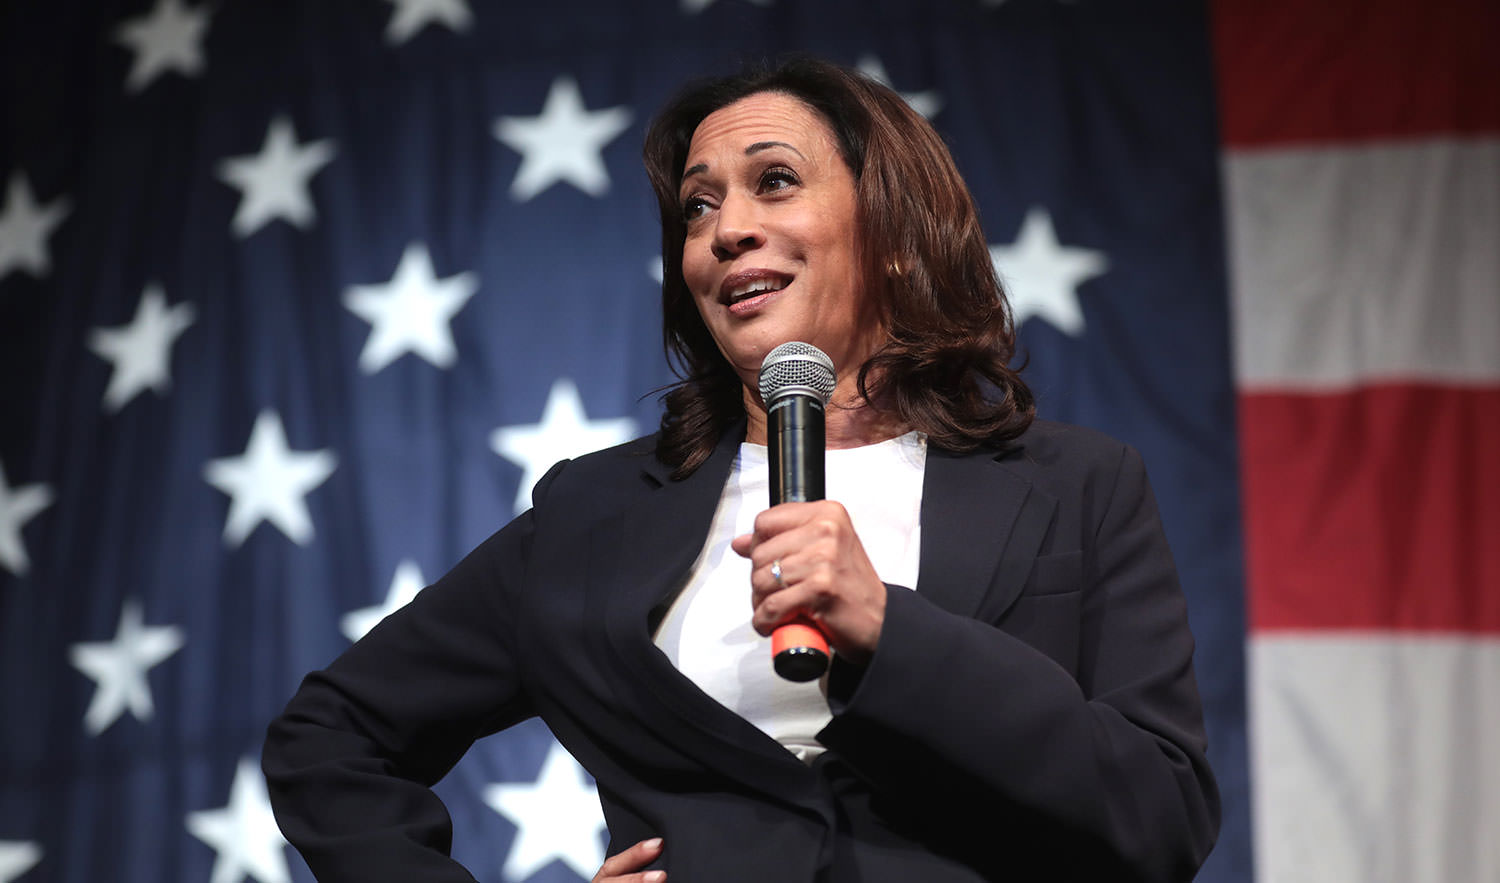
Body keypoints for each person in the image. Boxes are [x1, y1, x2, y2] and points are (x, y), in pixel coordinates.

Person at [262, 56, 1220, 882]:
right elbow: (329, 736)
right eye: (699, 205)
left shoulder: (1075, 485)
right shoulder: (593, 514)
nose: (726, 229)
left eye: (774, 181)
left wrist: (892, 630)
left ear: (892, 234)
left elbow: (1162, 814)